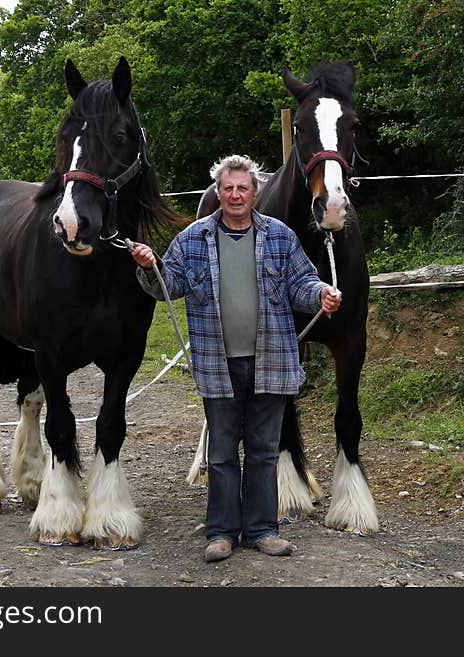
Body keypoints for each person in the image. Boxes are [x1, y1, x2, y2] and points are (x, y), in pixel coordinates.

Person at [130, 154, 342, 562]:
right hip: (217, 364)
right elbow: (166, 285)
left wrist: (321, 294)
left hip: (273, 361)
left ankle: (263, 530)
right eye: (228, 188)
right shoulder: (193, 239)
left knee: (264, 450)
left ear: (254, 192)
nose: (235, 195)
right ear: (218, 192)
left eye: (242, 188)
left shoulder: (280, 236)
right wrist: (150, 264)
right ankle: (222, 533)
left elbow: (301, 283)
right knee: (222, 454)